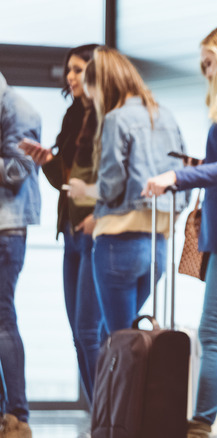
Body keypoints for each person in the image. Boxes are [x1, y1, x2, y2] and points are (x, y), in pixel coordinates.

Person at [142, 25, 217, 438]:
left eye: (209, 61)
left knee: (214, 333)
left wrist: (177, 176)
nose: (204, 70)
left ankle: (201, 426)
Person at [69, 47, 189, 334]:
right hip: (157, 246)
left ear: (102, 87)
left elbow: (111, 187)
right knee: (130, 340)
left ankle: (114, 383)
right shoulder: (165, 116)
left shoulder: (116, 119)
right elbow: (182, 180)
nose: (95, 102)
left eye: (93, 93)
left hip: (117, 244)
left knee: (116, 342)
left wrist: (85, 189)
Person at [18, 44, 109, 406]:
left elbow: (113, 182)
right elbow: (69, 183)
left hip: (98, 234)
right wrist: (47, 162)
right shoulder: (73, 117)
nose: (70, 77)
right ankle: (100, 416)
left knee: (90, 333)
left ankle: (109, 417)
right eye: (68, 70)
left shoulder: (110, 118)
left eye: (77, 69)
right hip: (72, 231)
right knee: (79, 333)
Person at [0, 71, 40, 438]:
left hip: (6, 230)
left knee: (3, 320)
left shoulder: (20, 110)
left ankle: (18, 415)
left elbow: (15, 170)